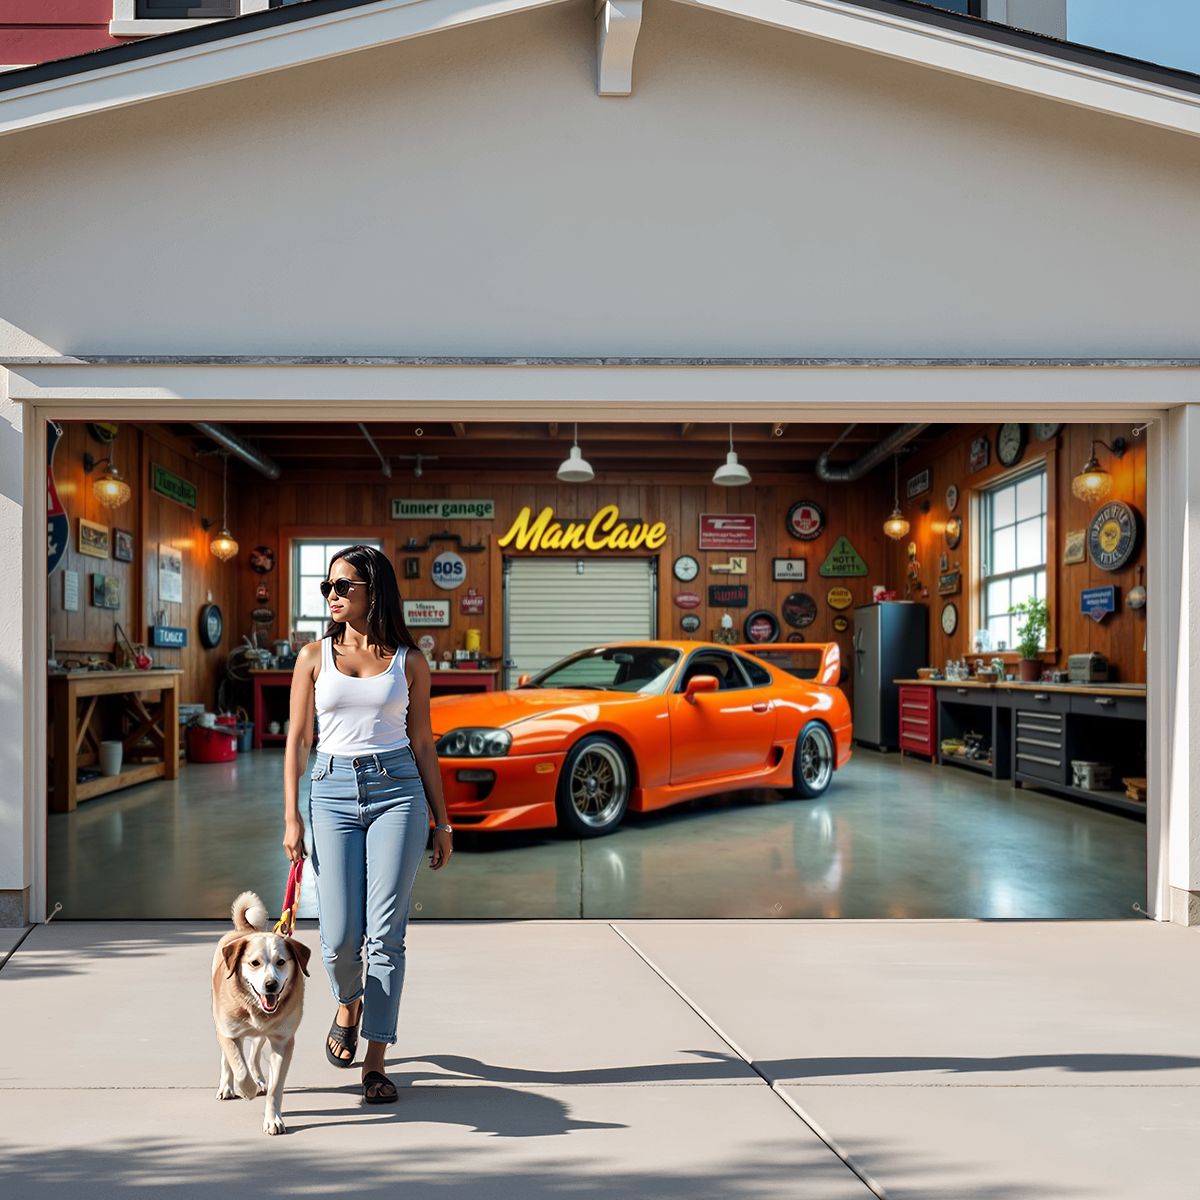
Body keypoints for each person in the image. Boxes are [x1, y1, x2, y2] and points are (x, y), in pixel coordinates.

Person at [282, 544, 453, 1104]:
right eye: (327, 586)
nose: (331, 595)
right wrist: (291, 816)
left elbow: (424, 741)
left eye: (342, 587)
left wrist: (442, 820)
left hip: (397, 791)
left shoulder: (410, 661)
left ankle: (376, 1059)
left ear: (372, 592)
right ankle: (348, 1001)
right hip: (330, 791)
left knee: (385, 934)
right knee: (336, 939)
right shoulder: (312, 657)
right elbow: (298, 740)